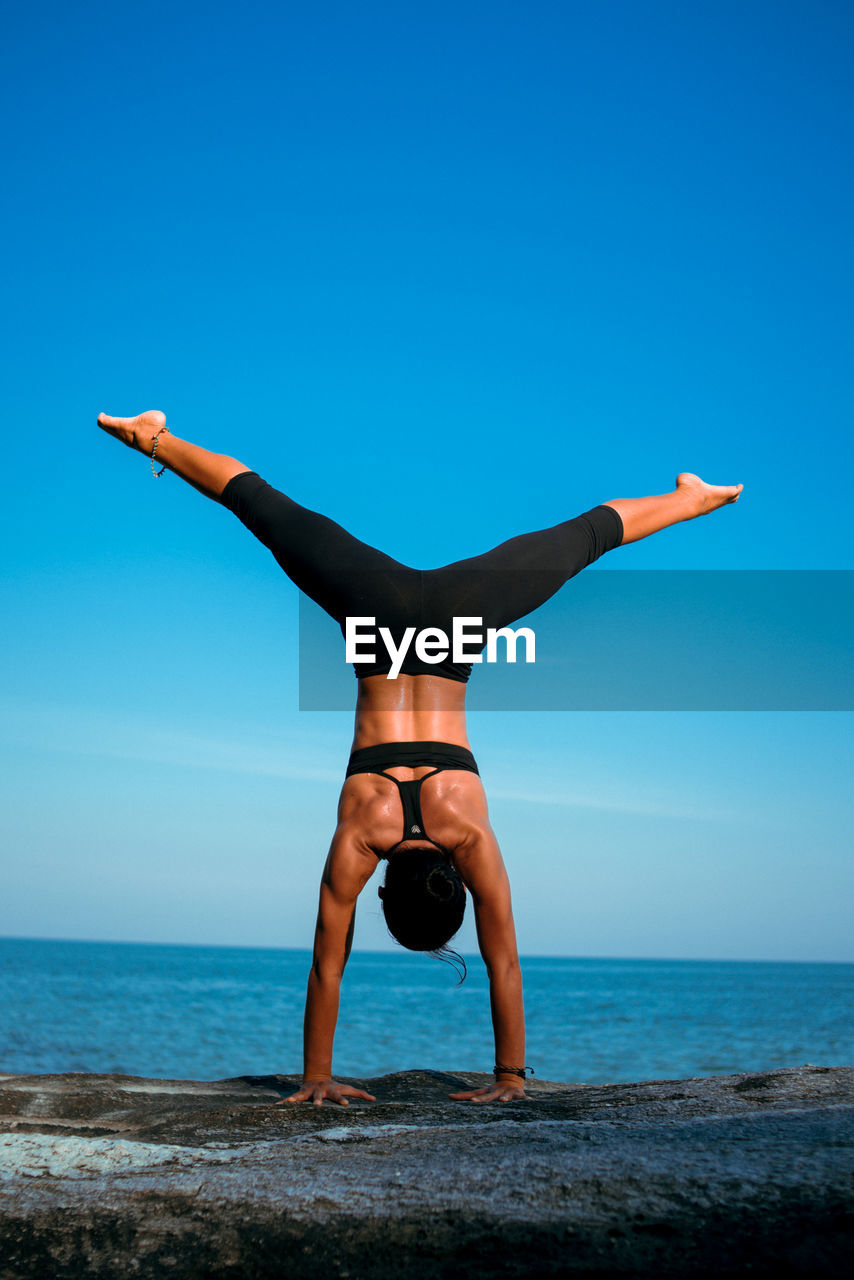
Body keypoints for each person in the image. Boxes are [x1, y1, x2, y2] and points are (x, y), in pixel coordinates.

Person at [97, 409, 743, 1106]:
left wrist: (509, 1080)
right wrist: (317, 1079)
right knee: (262, 507)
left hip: (457, 623)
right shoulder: (361, 838)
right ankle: (151, 437)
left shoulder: (467, 834)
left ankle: (691, 498)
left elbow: (504, 964)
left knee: (581, 538)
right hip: (372, 613)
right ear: (383, 891)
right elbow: (326, 967)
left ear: (453, 884)